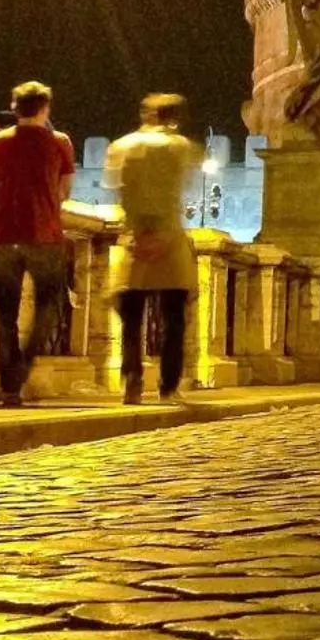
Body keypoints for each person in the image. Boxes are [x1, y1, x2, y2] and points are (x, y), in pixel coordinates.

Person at [104, 93, 203, 406]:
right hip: (169, 239)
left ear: (147, 115)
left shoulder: (120, 147)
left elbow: (118, 191)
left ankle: (132, 381)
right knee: (174, 319)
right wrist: (161, 233)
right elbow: (182, 188)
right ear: (173, 119)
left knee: (131, 318)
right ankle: (168, 387)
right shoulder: (182, 148)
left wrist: (140, 231)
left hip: (134, 239)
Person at [0, 81, 76, 408]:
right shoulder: (60, 142)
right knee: (48, 306)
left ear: (14, 108)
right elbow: (64, 191)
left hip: (4, 235)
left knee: (5, 314)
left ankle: (10, 386)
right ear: (45, 108)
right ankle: (25, 361)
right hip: (45, 236)